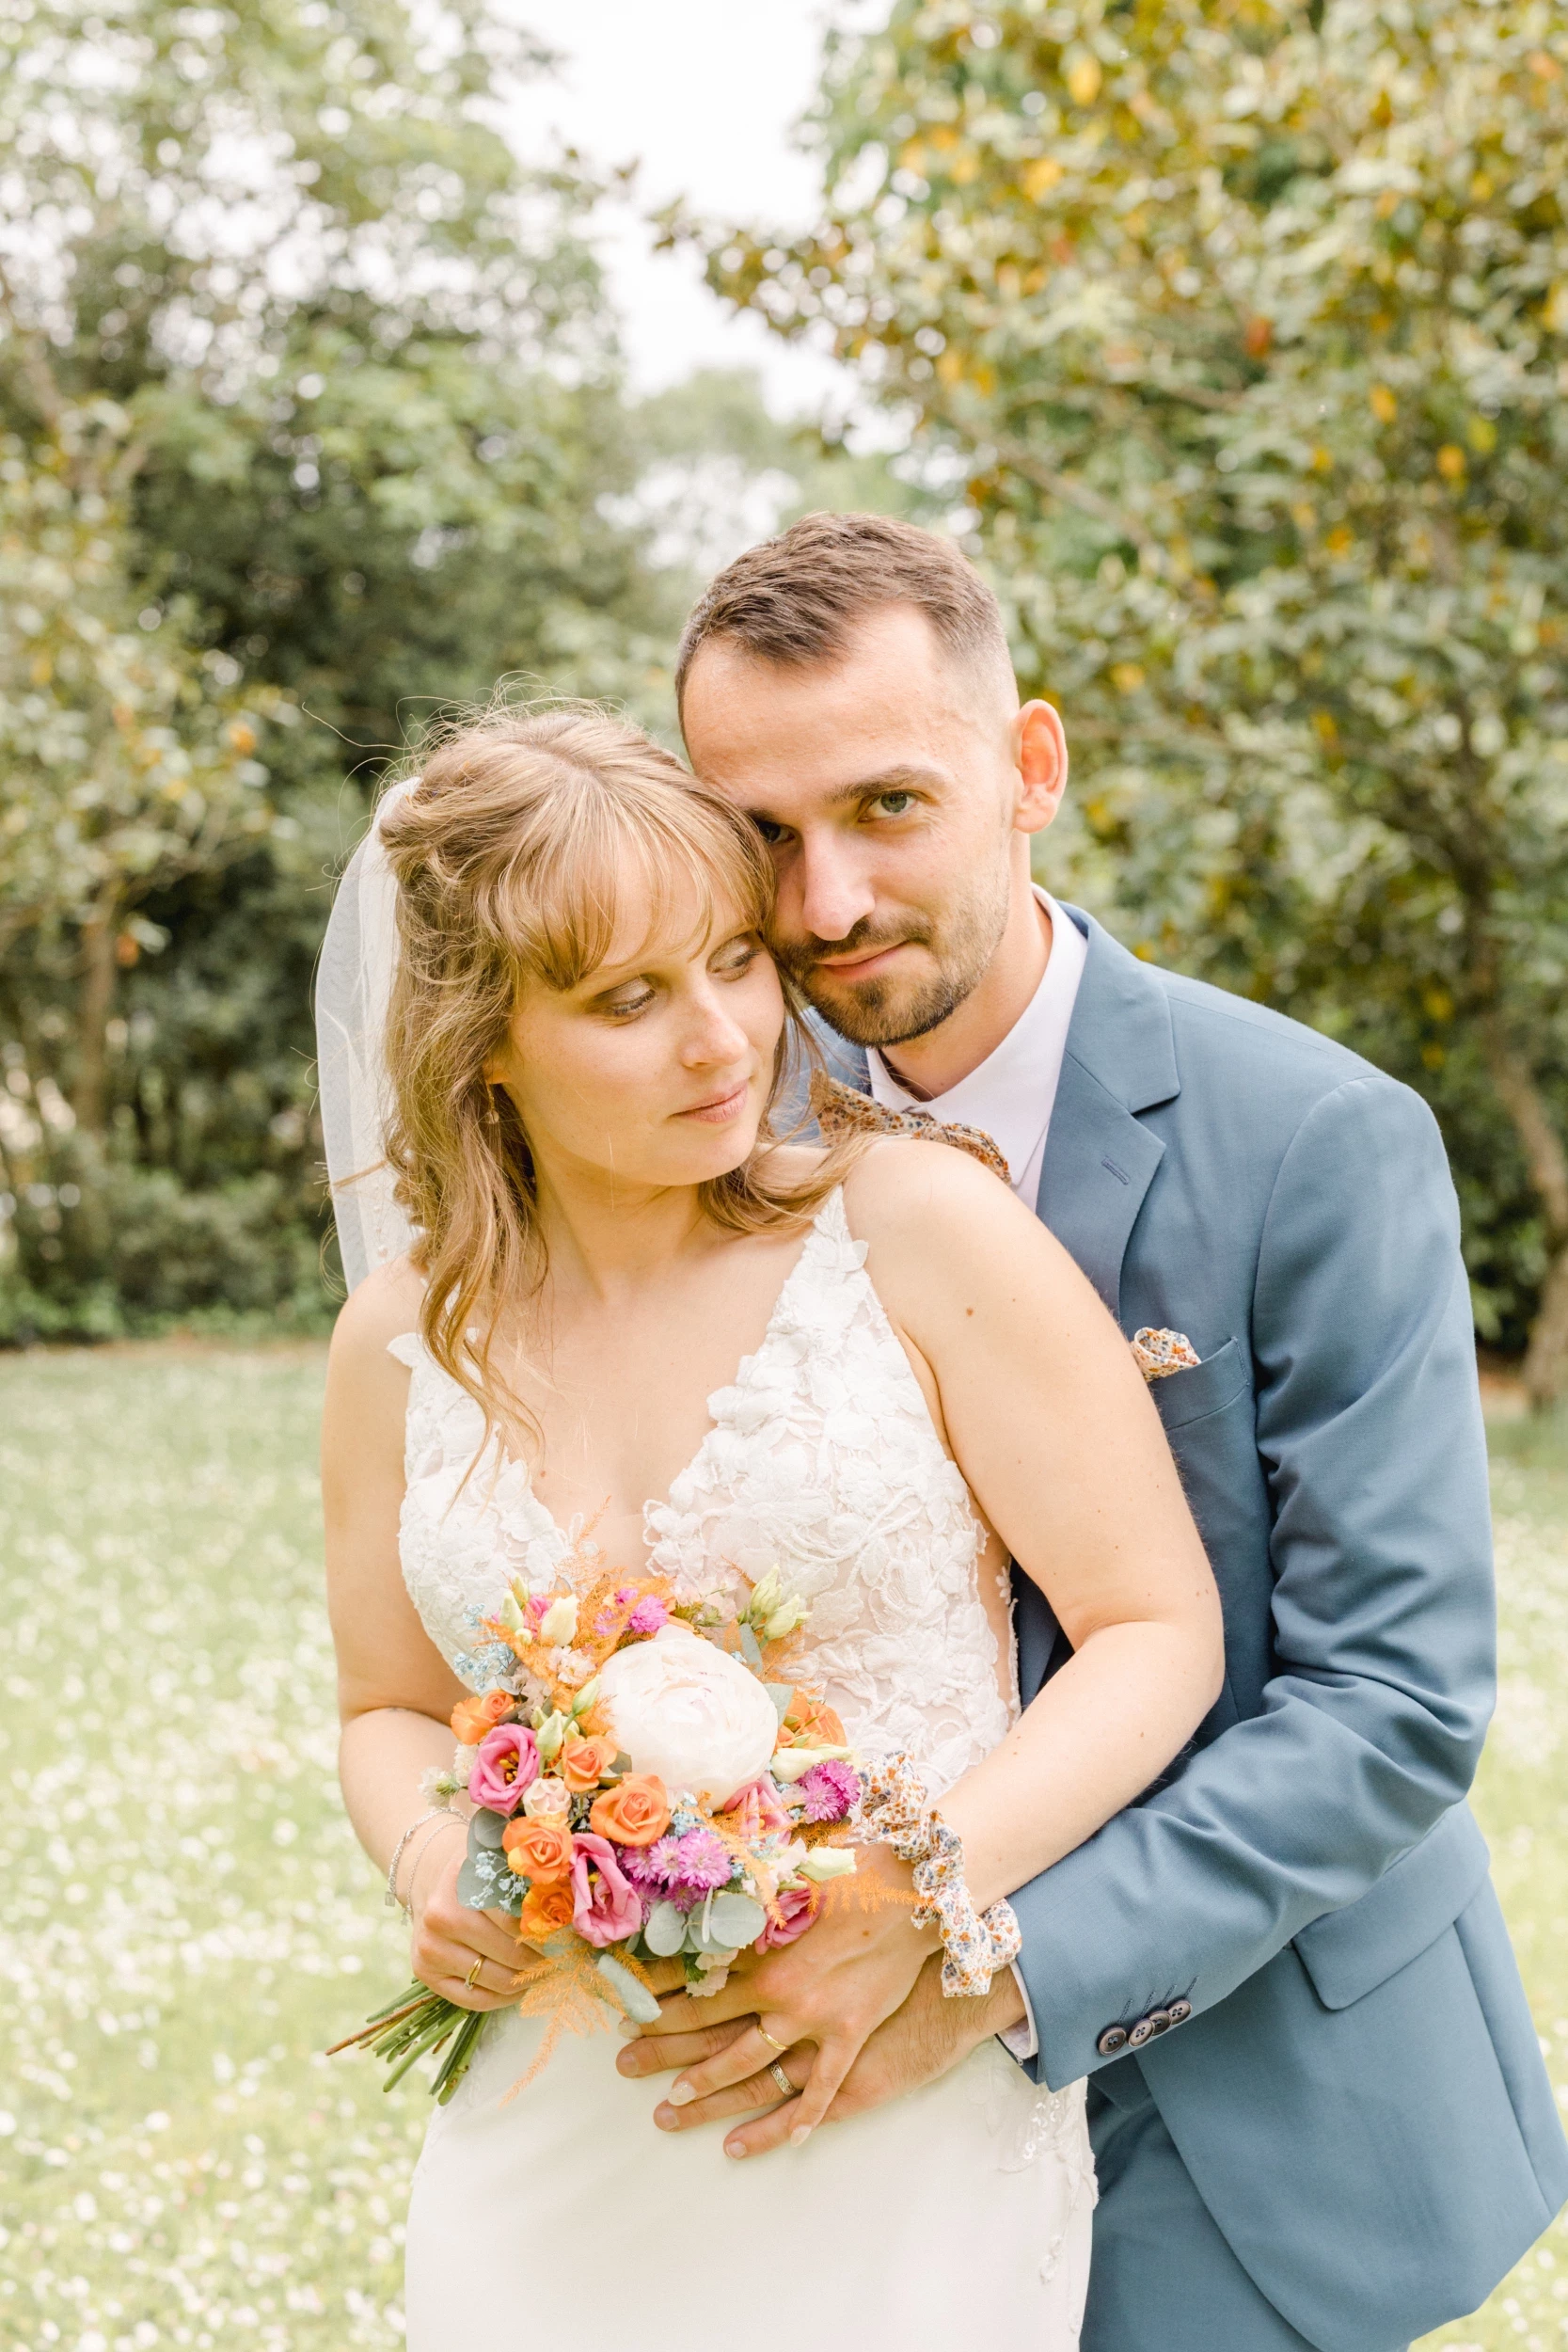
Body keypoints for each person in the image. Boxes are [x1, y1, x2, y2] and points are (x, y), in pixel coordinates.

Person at [613, 511, 1568, 2352]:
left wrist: (972, 1957)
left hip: (1252, 2104)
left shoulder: (1316, 1139)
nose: (821, 905)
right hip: (823, 2122)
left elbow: (1391, 1702)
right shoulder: (703, 1144)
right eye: (760, 832)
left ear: (1027, 765)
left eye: (887, 804)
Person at [314, 706, 1224, 2348]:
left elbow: (1154, 1631)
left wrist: (922, 1883)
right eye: (628, 999)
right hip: (549, 2140)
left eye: (733, 960)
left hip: (886, 2116)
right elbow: (383, 1704)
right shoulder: (396, 1340)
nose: (725, 1039)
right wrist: (431, 1853)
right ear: (483, 1039)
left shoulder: (915, 1227)